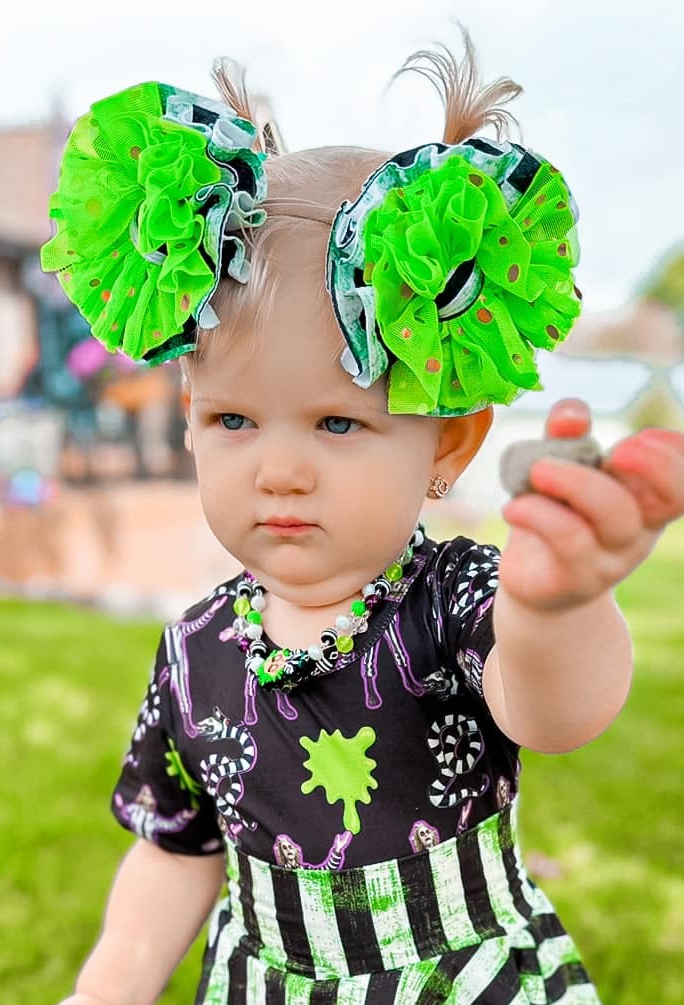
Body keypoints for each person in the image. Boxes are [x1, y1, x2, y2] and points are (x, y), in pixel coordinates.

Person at [41, 32, 684, 1005]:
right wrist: (111, 983)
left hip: (459, 979)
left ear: (448, 447)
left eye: (338, 420)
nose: (280, 469)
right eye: (234, 419)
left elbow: (553, 714)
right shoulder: (194, 649)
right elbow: (178, 853)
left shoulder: (454, 600)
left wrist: (555, 610)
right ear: (187, 421)